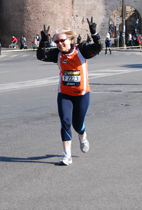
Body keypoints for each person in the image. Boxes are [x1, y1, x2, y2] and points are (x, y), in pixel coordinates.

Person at [36, 18, 102, 166]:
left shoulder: (82, 50)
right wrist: (43, 41)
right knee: (65, 122)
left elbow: (98, 48)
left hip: (82, 94)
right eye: (57, 41)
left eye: (62, 40)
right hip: (64, 94)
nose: (60, 44)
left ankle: (82, 135)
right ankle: (67, 155)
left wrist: (94, 33)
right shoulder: (57, 54)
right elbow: (40, 56)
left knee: (77, 124)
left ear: (70, 40)